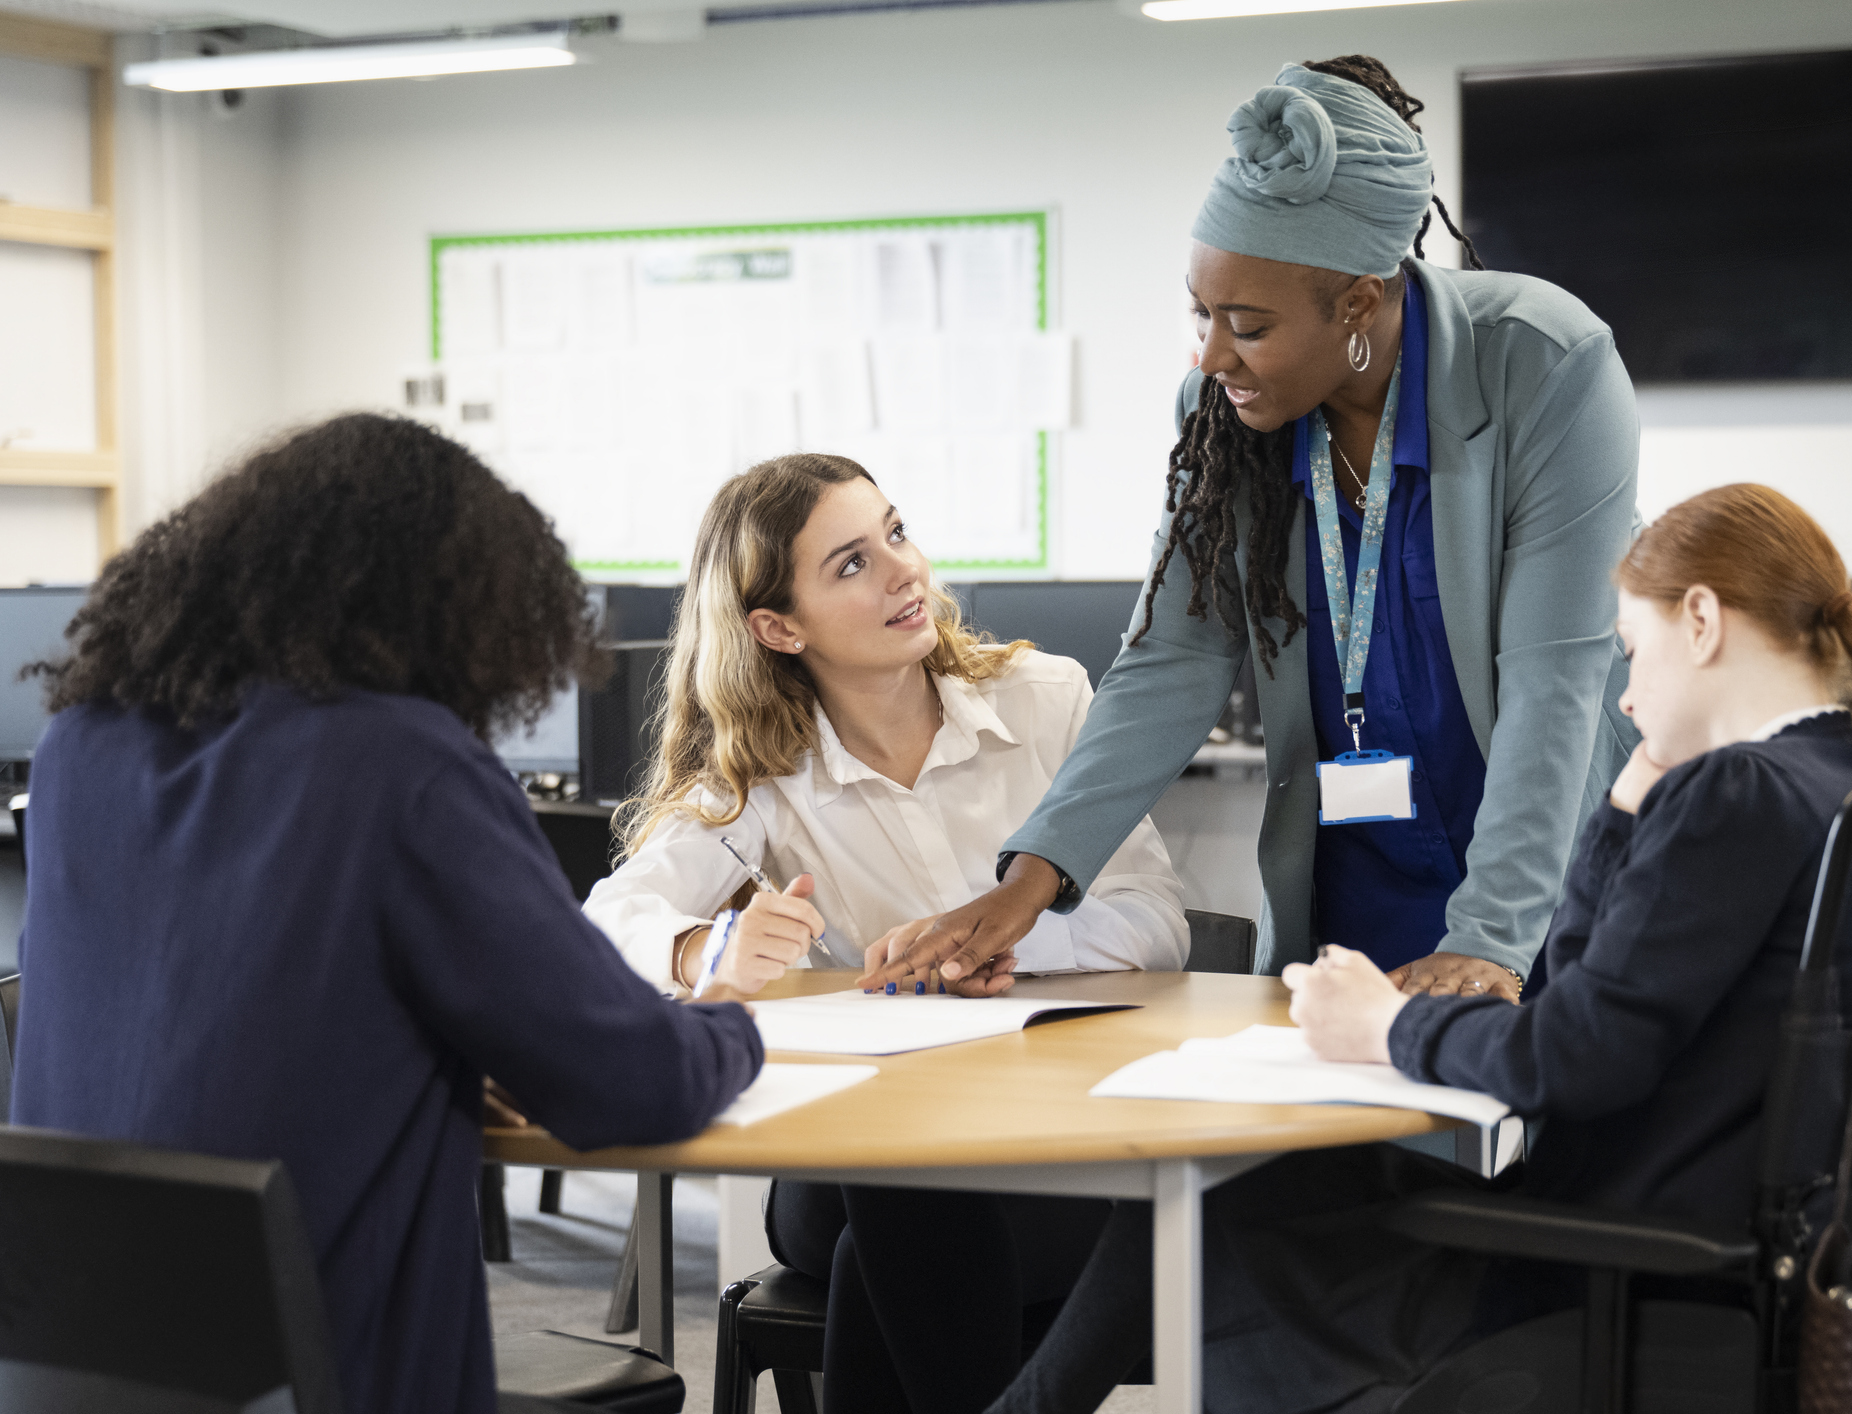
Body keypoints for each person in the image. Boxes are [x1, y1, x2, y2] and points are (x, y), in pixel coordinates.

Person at [982, 484, 1852, 1414]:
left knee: (1217, 1203)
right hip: (1744, 1259)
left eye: (1632, 651)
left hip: (1617, 1270)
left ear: (1702, 621)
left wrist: (1386, 1023)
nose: (1625, 696)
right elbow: (1579, 999)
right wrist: (1616, 810)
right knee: (1264, 1185)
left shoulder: (1739, 792)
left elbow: (1568, 1055)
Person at [7, 414, 763, 1414]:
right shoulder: (402, 764)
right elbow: (634, 1082)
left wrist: (441, 1059)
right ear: (455, 606)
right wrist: (737, 1020)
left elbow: (227, 1005)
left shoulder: (79, 748)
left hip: (83, 1367)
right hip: (334, 1373)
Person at [865, 54, 1639, 1007]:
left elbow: (1553, 679)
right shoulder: (1224, 412)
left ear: (1359, 300)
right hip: (1357, 874)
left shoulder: (1543, 362)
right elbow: (1171, 657)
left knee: (1550, 1138)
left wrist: (1489, 940)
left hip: (1543, 875)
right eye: (1200, 313)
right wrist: (1030, 881)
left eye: (1248, 324)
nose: (1211, 353)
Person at [582, 452, 1187, 1414]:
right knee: (902, 1187)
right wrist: (710, 952)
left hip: (1044, 1145)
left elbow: (1157, 922)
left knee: (895, 1240)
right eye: (851, 564)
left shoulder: (1047, 702)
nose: (905, 570)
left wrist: (1011, 939)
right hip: (850, 1158)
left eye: (895, 532)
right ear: (778, 628)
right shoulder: (761, 769)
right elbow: (611, 918)